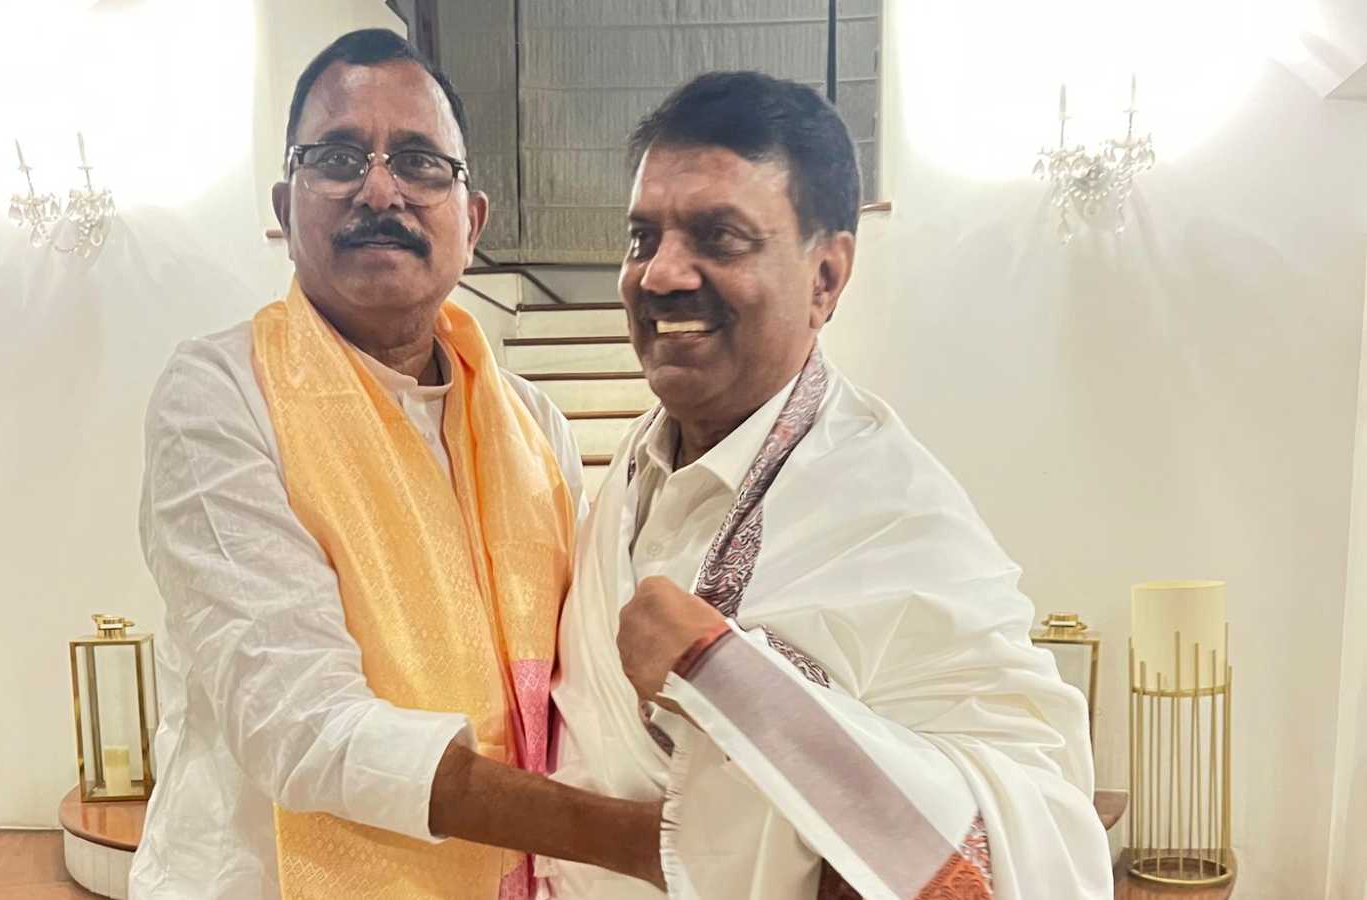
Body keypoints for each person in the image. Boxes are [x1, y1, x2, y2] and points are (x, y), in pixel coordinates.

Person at [544, 71, 1113, 899]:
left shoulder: (891, 510)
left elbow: (1042, 823)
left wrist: (724, 673)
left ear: (826, 278)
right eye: (641, 238)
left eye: (719, 237)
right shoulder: (629, 465)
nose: (659, 274)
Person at [132, 29, 660, 900]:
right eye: (338, 157)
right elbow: (300, 725)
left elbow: (575, 686)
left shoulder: (534, 427)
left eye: (419, 162)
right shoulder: (221, 396)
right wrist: (639, 840)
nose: (380, 190)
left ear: (472, 221)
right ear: (285, 207)